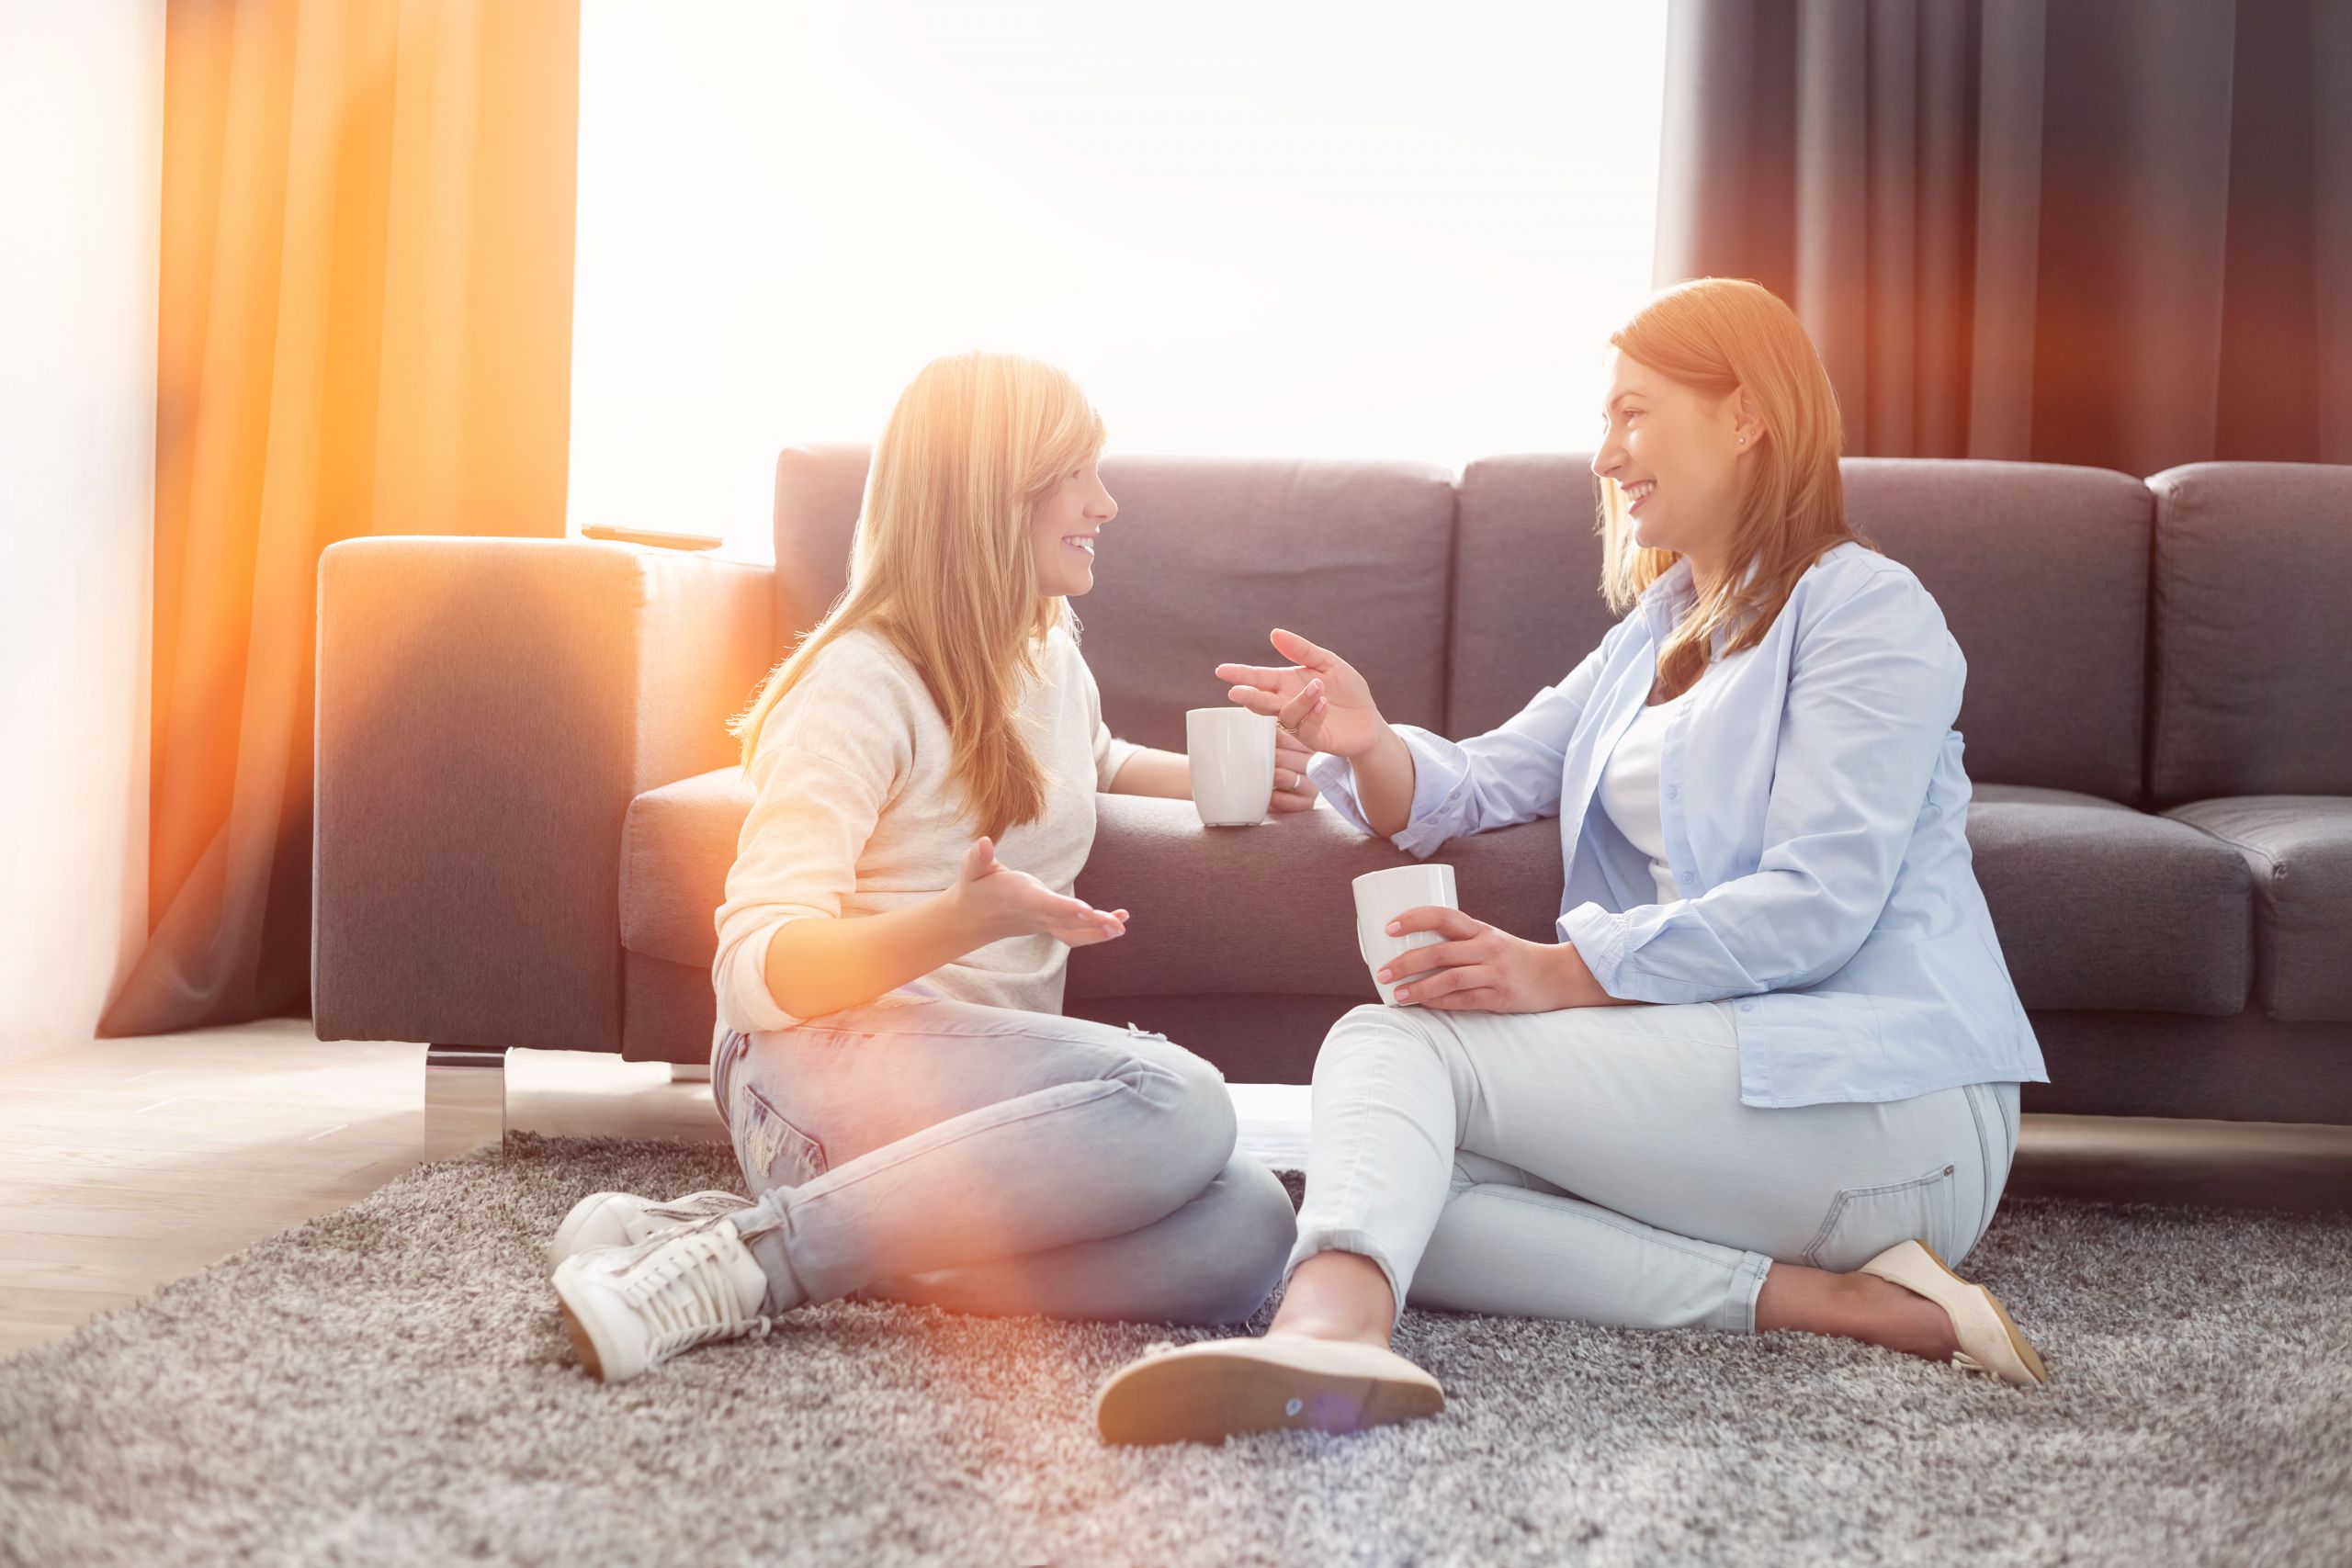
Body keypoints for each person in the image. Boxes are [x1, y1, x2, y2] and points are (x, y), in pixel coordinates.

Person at [1094, 278, 2052, 1446]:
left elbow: (1818, 906)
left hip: (1883, 1096)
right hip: (1727, 1082)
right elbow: (1480, 781)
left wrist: (1557, 973)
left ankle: (1327, 1335)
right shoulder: (1656, 632)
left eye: (1633, 414)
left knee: (1389, 1046)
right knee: (1400, 1178)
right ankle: (1835, 1303)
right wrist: (1366, 738)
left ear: (1746, 415)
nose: (1605, 457)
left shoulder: (1865, 609)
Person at [546, 352, 1305, 1383]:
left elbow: (1094, 761)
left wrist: (1242, 778)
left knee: (1249, 1227)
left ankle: (724, 1235)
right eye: (1075, 474)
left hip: (971, 1119)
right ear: (995, 490)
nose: (1106, 503)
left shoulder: (1046, 654)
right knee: (1180, 1098)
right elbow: (754, 970)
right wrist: (952, 924)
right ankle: (750, 1268)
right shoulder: (859, 683)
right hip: (809, 1073)